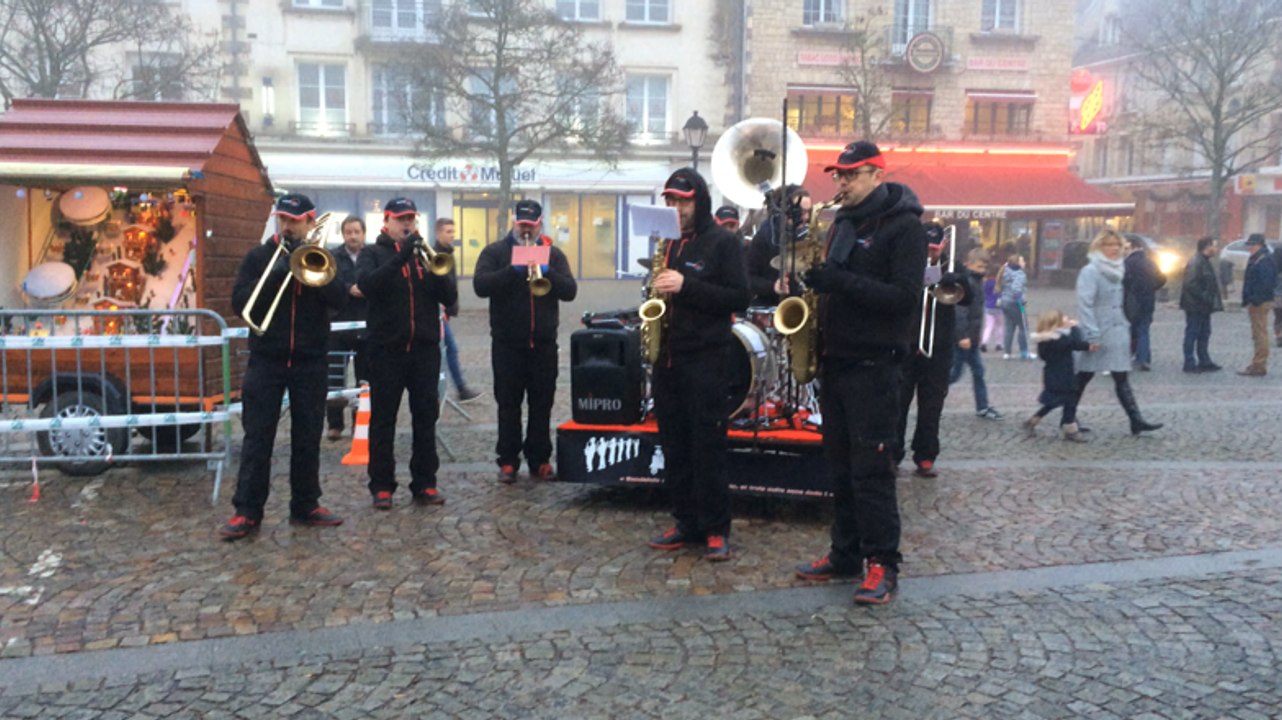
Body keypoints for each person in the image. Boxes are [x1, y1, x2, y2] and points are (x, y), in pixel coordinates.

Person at [793, 141, 926, 605]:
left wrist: (839, 282)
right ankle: (844, 553)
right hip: (837, 361)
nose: (841, 183)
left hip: (875, 365)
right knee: (841, 469)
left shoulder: (906, 228)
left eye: (850, 175)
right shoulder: (842, 224)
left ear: (876, 174)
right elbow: (837, 283)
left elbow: (905, 298)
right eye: (838, 175)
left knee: (872, 471)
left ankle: (883, 564)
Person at [220, 193, 347, 540]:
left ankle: (306, 504)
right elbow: (240, 303)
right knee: (258, 437)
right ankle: (247, 510)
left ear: (310, 222)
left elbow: (340, 298)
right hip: (267, 359)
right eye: (283, 220)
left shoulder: (323, 256)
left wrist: (313, 275)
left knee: (307, 437)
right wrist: (277, 274)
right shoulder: (259, 257)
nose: (287, 226)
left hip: (310, 360)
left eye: (294, 220)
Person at [645, 168, 750, 562]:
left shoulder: (723, 242)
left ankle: (716, 528)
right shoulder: (668, 243)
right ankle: (685, 520)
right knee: (675, 445)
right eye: (671, 200)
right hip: (669, 358)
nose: (676, 208)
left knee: (708, 447)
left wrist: (687, 286)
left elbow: (739, 296)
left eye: (683, 201)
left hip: (706, 358)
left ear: (699, 201)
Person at [356, 197, 458, 510]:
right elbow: (369, 285)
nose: (407, 224)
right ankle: (382, 485)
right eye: (401, 219)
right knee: (383, 420)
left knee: (426, 419)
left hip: (424, 349)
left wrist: (437, 270)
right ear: (386, 221)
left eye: (411, 218)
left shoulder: (425, 257)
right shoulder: (372, 253)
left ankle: (425, 482)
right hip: (386, 350)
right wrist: (401, 258)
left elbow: (450, 298)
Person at [474, 200, 577, 484]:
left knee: (541, 403)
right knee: (508, 404)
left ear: (540, 224)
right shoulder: (495, 252)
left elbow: (570, 291)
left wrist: (549, 271)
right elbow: (480, 286)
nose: (526, 230)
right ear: (513, 222)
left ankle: (540, 458)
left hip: (543, 344)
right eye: (522, 225)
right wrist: (513, 270)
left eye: (531, 225)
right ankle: (508, 460)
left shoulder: (553, 254)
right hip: (507, 344)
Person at [894, 221, 967, 478]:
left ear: (943, 246)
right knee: (898, 403)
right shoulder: (907, 263)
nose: (931, 253)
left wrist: (957, 280)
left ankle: (925, 455)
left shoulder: (953, 267)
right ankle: (893, 454)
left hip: (938, 348)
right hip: (907, 345)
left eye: (935, 249)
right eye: (928, 248)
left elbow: (969, 297)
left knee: (932, 405)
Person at [1075, 229, 1163, 436]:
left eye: (1117, 245)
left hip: (1117, 327)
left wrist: (1126, 321)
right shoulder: (1091, 271)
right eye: (1108, 245)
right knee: (1084, 375)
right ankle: (1068, 417)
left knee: (1120, 375)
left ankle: (1135, 419)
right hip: (1097, 327)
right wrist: (1091, 334)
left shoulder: (1120, 269)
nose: (1114, 249)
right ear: (1099, 247)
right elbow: (1085, 304)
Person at [1024, 309, 1098, 443]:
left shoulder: (1046, 339)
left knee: (1054, 401)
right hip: (1063, 376)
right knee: (1070, 400)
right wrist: (1074, 327)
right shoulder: (1060, 339)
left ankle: (1034, 419)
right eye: (1063, 318)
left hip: (1053, 375)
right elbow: (1075, 343)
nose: (1067, 318)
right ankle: (1070, 428)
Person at [326, 215, 369, 441]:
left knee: (364, 378)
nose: (353, 236)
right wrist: (347, 288)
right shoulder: (333, 256)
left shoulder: (371, 255)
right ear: (343, 235)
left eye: (356, 231)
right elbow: (328, 281)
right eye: (348, 232)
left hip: (365, 324)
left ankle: (358, 423)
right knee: (334, 377)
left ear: (364, 233)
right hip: (339, 325)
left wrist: (367, 288)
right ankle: (334, 424)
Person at [950, 248, 1003, 420]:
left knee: (977, 371)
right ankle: (927, 391)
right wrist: (962, 336)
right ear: (969, 264)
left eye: (984, 268)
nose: (983, 271)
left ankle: (983, 406)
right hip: (964, 338)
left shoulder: (976, 281)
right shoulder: (967, 282)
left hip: (971, 337)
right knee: (954, 374)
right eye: (979, 267)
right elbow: (961, 311)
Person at [434, 218, 483, 401]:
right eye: (448, 232)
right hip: (438, 313)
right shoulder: (436, 254)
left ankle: (450, 388)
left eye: (453, 232)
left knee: (444, 350)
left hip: (445, 311)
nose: (452, 235)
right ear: (438, 233)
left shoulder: (449, 253)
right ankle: (459, 388)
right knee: (450, 349)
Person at [745, 186, 811, 306]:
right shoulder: (765, 236)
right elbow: (748, 278)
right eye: (802, 212)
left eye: (809, 212)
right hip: (771, 306)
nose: (806, 218)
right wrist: (772, 287)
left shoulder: (808, 235)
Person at [1178, 236, 1224, 373]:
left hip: (1203, 306)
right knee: (1192, 333)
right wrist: (1205, 297)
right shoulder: (1196, 262)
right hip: (1195, 306)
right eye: (1214, 246)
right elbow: (1190, 284)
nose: (1216, 249)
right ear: (1207, 247)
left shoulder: (1204, 261)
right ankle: (1189, 362)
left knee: (1204, 333)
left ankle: (1204, 360)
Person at [1122, 236, 1166, 372]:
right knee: (1144, 330)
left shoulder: (1127, 263)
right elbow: (1162, 278)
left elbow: (1122, 281)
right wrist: (1152, 288)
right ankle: (1144, 358)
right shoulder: (1150, 262)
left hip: (1132, 302)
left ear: (1133, 247)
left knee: (1130, 330)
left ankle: (1129, 357)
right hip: (1148, 300)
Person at [1238, 233, 1277, 376]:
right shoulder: (1258, 258)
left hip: (1260, 302)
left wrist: (1254, 299)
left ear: (1259, 245)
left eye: (1252, 245)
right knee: (1258, 333)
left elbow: (1265, 283)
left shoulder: (1264, 260)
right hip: (1257, 301)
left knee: (1260, 334)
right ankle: (1258, 362)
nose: (1249, 248)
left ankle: (1259, 364)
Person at [1000, 254, 1032, 359]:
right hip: (1016, 303)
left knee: (1009, 327)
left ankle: (1007, 352)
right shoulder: (1019, 274)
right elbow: (1016, 288)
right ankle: (1024, 352)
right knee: (1023, 327)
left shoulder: (1006, 271)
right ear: (1017, 263)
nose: (1024, 263)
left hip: (1005, 302)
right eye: (1022, 261)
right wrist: (1021, 301)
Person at [980, 272, 1003, 353]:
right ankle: (998, 344)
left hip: (988, 306)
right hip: (999, 307)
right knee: (999, 326)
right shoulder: (1000, 283)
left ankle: (984, 342)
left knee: (988, 326)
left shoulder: (985, 283)